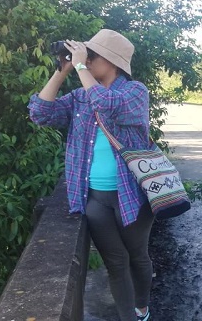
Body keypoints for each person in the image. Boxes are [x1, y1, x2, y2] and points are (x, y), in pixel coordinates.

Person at [28, 29, 154, 321]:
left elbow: (106, 104)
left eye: (90, 55)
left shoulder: (135, 92)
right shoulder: (80, 97)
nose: (84, 60)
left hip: (132, 195)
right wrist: (63, 70)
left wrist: (82, 67)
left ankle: (143, 308)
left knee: (138, 257)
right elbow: (40, 113)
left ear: (110, 61)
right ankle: (129, 319)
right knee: (116, 262)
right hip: (94, 198)